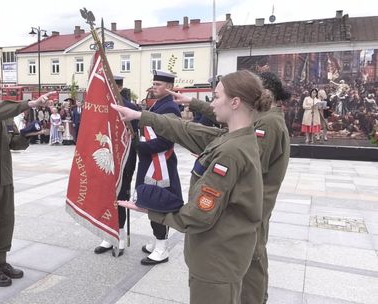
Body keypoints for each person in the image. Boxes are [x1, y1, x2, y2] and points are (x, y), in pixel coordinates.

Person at [114, 70, 268, 304]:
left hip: (216, 258)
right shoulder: (238, 138)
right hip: (227, 253)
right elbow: (187, 130)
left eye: (216, 97)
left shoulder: (231, 151)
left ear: (235, 102)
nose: (212, 104)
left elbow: (198, 215)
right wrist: (140, 115)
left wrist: (151, 210)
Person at [168, 72, 292, 303]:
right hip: (248, 206)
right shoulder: (263, 119)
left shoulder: (268, 124)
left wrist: (218, 155)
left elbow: (247, 160)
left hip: (250, 210)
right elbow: (229, 116)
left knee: (253, 262)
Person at [0, 72, 54, 287]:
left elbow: (14, 143)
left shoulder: (6, 115)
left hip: (5, 176)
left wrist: (27, 134)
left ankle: (1, 261)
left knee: (6, 220)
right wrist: (30, 103)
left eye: (0, 88)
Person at [135, 70, 183, 265]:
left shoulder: (169, 107)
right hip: (151, 162)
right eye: (153, 83)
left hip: (160, 164)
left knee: (158, 203)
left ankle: (162, 248)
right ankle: (157, 241)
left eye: (158, 84)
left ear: (169, 87)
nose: (154, 87)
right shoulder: (159, 105)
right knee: (150, 201)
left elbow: (166, 141)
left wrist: (139, 146)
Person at [94, 76, 138, 257]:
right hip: (105, 159)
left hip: (124, 160)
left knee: (119, 197)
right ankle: (107, 235)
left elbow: (133, 138)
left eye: (112, 86)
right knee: (104, 196)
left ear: (119, 87)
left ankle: (118, 237)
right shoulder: (101, 107)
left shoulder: (131, 108)